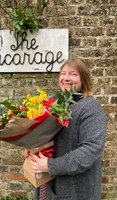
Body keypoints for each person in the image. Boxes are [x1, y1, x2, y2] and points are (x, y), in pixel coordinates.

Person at [31, 58, 107, 200]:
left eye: (73, 74)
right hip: (45, 184)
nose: (66, 78)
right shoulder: (51, 103)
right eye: (63, 73)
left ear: (83, 79)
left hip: (75, 189)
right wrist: (31, 147)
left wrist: (51, 165)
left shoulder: (90, 108)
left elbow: (90, 151)